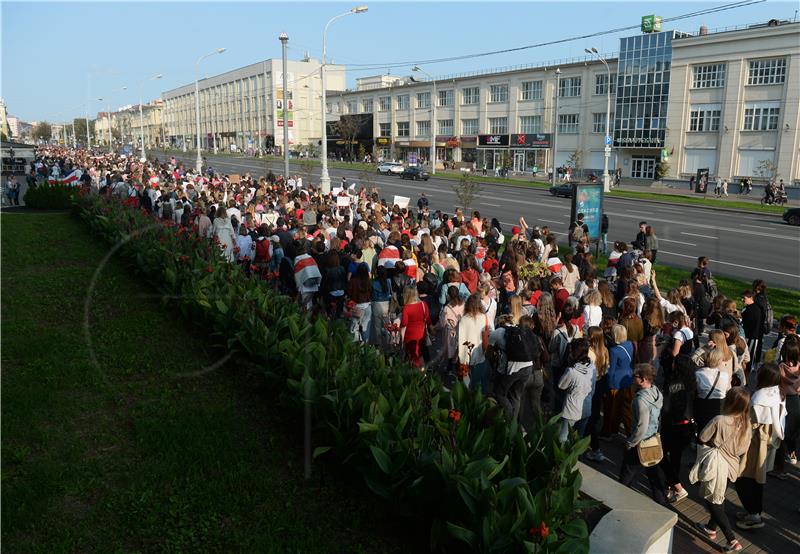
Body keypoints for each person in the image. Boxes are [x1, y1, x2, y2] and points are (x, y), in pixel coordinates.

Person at [690, 387, 751, 553]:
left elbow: (702, 436)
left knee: (714, 503)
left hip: (716, 466)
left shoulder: (719, 420)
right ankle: (710, 528)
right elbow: (742, 449)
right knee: (719, 496)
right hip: (733, 468)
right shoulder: (747, 425)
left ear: (728, 402)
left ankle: (732, 540)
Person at [735, 363, 785, 530]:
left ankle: (754, 515)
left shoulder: (758, 398)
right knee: (757, 480)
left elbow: (750, 424)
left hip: (754, 446)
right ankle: (753, 512)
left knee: (742, 479)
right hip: (768, 445)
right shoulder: (778, 393)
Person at [619, 363, 668, 506]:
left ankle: (619, 497)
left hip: (639, 441)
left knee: (627, 472)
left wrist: (630, 443)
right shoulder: (657, 392)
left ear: (643, 379)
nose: (633, 377)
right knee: (653, 473)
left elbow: (642, 425)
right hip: (652, 440)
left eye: (635, 376)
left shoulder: (641, 400)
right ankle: (661, 501)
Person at [558, 339, 596, 443]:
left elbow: (561, 386)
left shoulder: (571, 371)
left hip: (571, 410)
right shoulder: (592, 367)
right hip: (586, 407)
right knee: (578, 439)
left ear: (574, 352)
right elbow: (593, 390)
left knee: (563, 438)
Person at [603, 324, 635, 437]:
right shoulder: (630, 344)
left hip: (616, 383)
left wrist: (607, 385)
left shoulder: (614, 350)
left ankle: (610, 432)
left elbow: (611, 371)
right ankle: (630, 432)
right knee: (627, 410)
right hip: (628, 380)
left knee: (612, 411)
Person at [458, 292, 492, 392]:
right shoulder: (485, 317)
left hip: (467, 357)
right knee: (480, 383)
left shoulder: (464, 319)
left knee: (467, 383)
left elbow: (460, 340)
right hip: (482, 354)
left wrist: (461, 358)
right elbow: (491, 332)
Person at [400, 285, 431, 369]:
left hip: (410, 336)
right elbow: (428, 320)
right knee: (420, 354)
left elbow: (404, 324)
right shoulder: (423, 304)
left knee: (414, 356)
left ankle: (417, 375)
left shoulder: (406, 308)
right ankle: (423, 372)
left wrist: (401, 340)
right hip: (422, 333)